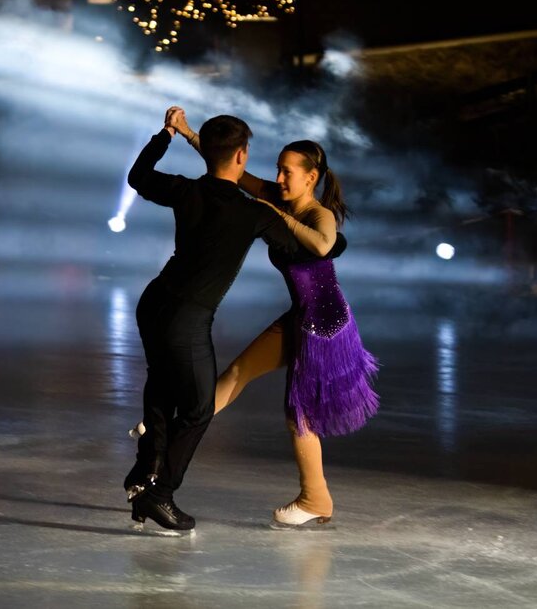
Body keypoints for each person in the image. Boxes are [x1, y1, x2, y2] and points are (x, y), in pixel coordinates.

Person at [134, 106, 380, 528]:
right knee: (237, 372)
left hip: (323, 322)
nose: (279, 178)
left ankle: (316, 498)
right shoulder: (271, 196)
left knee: (298, 410)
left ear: (311, 178)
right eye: (278, 169)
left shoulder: (316, 213)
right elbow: (228, 166)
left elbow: (324, 245)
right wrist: (189, 133)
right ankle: (171, 433)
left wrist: (270, 211)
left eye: (288, 172)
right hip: (297, 315)